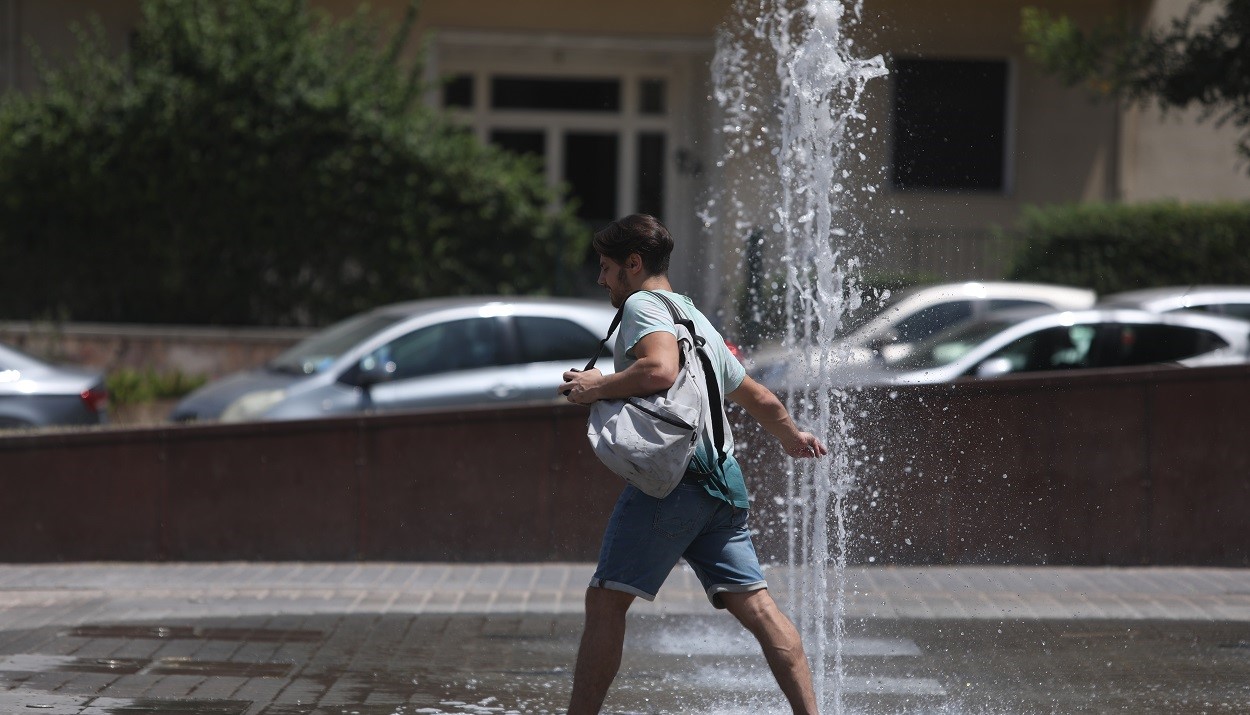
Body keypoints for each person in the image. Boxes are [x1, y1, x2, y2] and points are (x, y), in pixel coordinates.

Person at [558, 213, 829, 714]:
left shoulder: (642, 304)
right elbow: (761, 399)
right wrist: (794, 437)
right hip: (724, 479)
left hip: (674, 480)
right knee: (761, 609)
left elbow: (660, 370)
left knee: (606, 601)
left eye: (606, 267)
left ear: (633, 265)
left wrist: (596, 386)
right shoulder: (694, 316)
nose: (600, 278)